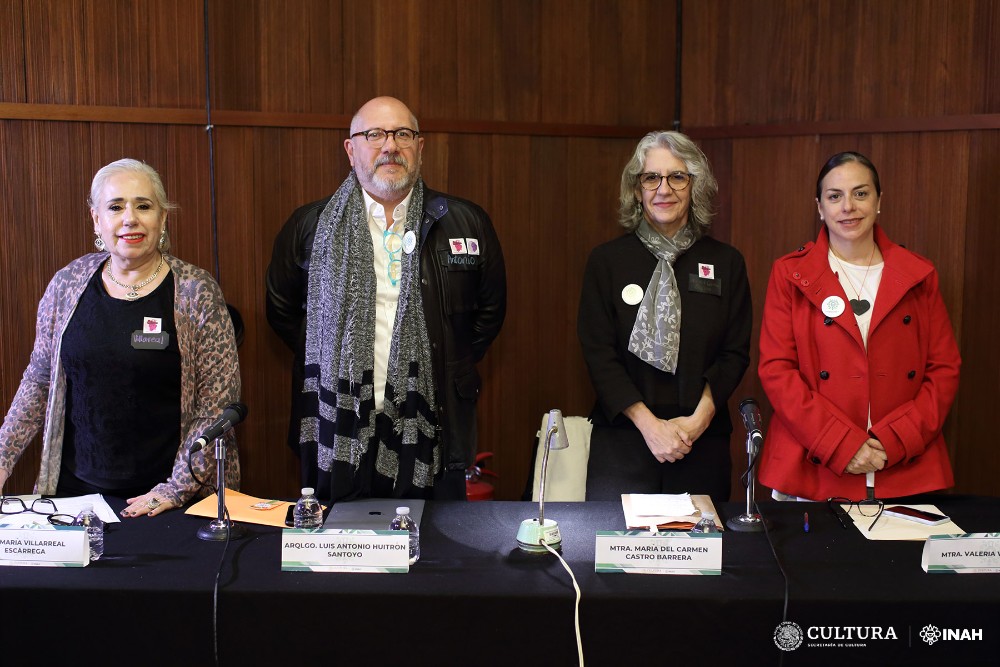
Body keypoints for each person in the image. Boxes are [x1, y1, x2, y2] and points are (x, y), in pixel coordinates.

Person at [266, 96, 506, 502]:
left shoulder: (466, 222)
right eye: (374, 134)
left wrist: (441, 357)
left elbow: (489, 314)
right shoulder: (309, 226)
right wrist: (336, 356)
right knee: (342, 554)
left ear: (420, 146)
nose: (390, 146)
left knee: (432, 554)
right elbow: (284, 312)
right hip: (335, 427)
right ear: (351, 149)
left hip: (431, 423)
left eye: (402, 134)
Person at [0, 159, 242, 517]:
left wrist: (174, 490)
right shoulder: (67, 284)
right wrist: (3, 459)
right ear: (97, 219)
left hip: (171, 499)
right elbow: (39, 382)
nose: (130, 218)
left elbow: (216, 409)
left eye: (143, 206)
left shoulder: (196, 291)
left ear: (162, 218)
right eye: (116, 207)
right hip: (75, 495)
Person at [758, 152, 961, 502]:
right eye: (834, 196)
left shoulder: (919, 273)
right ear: (820, 207)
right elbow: (777, 371)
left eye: (861, 193)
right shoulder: (790, 274)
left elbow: (943, 370)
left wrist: (895, 441)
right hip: (814, 466)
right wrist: (840, 444)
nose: (848, 206)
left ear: (879, 201)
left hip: (902, 464)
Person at [578, 131, 752, 501]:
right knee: (622, 557)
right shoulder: (607, 261)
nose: (664, 189)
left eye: (677, 176)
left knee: (697, 557)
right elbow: (598, 352)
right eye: (651, 177)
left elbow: (734, 353)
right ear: (637, 188)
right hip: (623, 438)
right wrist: (650, 426)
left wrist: (695, 423)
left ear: (694, 185)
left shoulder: (726, 263)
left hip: (700, 440)